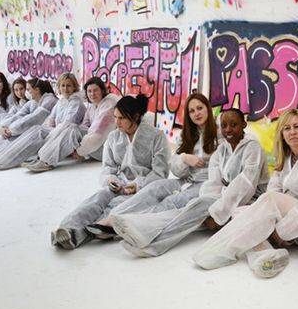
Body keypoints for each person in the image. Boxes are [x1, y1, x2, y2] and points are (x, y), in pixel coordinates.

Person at [193, 108, 298, 278]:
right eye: (287, 128)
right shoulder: (286, 157)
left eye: (297, 126)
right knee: (239, 211)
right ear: (282, 134)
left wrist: (280, 232)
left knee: (268, 202)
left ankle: (219, 251)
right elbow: (274, 188)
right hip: (290, 217)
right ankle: (266, 256)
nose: (292, 132)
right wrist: (271, 224)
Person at [109, 108, 268, 257]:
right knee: (192, 210)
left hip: (249, 200)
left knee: (194, 211)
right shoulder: (221, 150)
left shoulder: (253, 148)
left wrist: (218, 213)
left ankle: (153, 244)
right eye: (224, 125)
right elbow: (213, 181)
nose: (228, 130)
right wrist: (209, 204)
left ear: (244, 125)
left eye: (234, 125)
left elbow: (245, 185)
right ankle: (143, 230)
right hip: (223, 197)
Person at [87, 92, 219, 237]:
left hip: (207, 185)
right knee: (154, 188)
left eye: (200, 108)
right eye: (191, 111)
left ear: (208, 108)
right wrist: (184, 158)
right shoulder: (186, 135)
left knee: (170, 202)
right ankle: (111, 219)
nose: (196, 113)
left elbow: (228, 167)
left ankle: (127, 225)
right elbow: (176, 171)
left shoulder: (220, 135)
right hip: (186, 181)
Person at [51, 94, 170, 250]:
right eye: (115, 117)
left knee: (114, 206)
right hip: (120, 183)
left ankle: (75, 235)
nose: (116, 122)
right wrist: (111, 179)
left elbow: (160, 172)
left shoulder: (156, 136)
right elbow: (108, 166)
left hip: (144, 189)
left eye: (121, 118)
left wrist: (137, 185)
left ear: (135, 116)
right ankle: (66, 228)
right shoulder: (114, 137)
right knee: (97, 199)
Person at [0, 73, 85, 170]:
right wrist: (45, 129)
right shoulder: (61, 102)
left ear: (74, 87)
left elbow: (68, 124)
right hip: (57, 132)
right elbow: (50, 119)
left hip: (67, 136)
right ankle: (5, 158)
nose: (65, 89)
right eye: (63, 85)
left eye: (68, 85)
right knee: (37, 129)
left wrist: (47, 134)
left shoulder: (76, 103)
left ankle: (40, 160)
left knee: (39, 131)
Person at [24, 78, 119, 172]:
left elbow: (98, 134)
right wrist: (76, 143)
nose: (92, 94)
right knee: (70, 127)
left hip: (106, 149)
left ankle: (47, 161)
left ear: (102, 91)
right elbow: (84, 126)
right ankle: (42, 157)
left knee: (72, 128)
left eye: (95, 90)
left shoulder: (108, 105)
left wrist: (80, 151)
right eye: (89, 91)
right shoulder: (92, 107)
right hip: (94, 146)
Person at [0, 78, 57, 161]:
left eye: (27, 89)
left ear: (37, 90)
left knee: (15, 133)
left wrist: (11, 130)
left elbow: (34, 119)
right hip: (29, 129)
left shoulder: (49, 100)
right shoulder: (32, 102)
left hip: (45, 133)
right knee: (7, 127)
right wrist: (1, 127)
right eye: (16, 90)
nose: (24, 92)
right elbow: (17, 116)